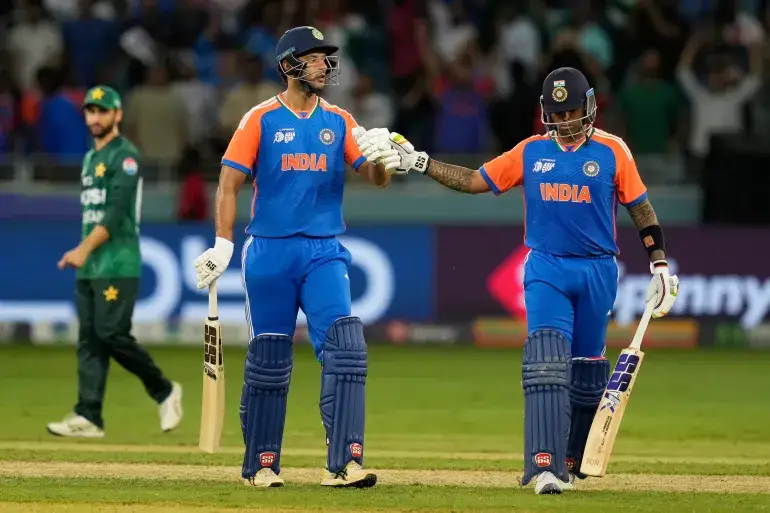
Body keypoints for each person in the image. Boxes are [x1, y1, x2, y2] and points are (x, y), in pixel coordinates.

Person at [356, 67, 680, 494]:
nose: (565, 120)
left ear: (589, 107)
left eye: (572, 111)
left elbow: (641, 208)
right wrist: (421, 162)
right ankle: (543, 466)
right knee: (546, 360)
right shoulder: (530, 151)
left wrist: (659, 263)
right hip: (547, 268)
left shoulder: (613, 151)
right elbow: (474, 180)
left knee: (588, 373)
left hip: (599, 270)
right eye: (557, 113)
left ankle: (572, 461)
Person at [193, 26, 396, 488]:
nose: (325, 65)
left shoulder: (340, 121)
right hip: (269, 252)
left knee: (346, 349)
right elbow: (228, 184)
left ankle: (344, 463)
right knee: (269, 359)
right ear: (289, 65)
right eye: (315, 57)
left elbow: (376, 179)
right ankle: (262, 465)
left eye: (326, 57)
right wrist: (223, 243)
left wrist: (383, 159)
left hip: (324, 251)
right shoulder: (260, 119)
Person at [48, 85, 183, 439]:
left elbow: (115, 212)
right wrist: (85, 254)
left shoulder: (126, 156)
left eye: (103, 111)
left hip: (119, 263)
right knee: (90, 341)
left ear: (117, 114)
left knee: (111, 334)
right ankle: (88, 415)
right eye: (91, 111)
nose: (96, 118)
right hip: (91, 266)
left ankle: (165, 390)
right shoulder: (89, 158)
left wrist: (82, 249)